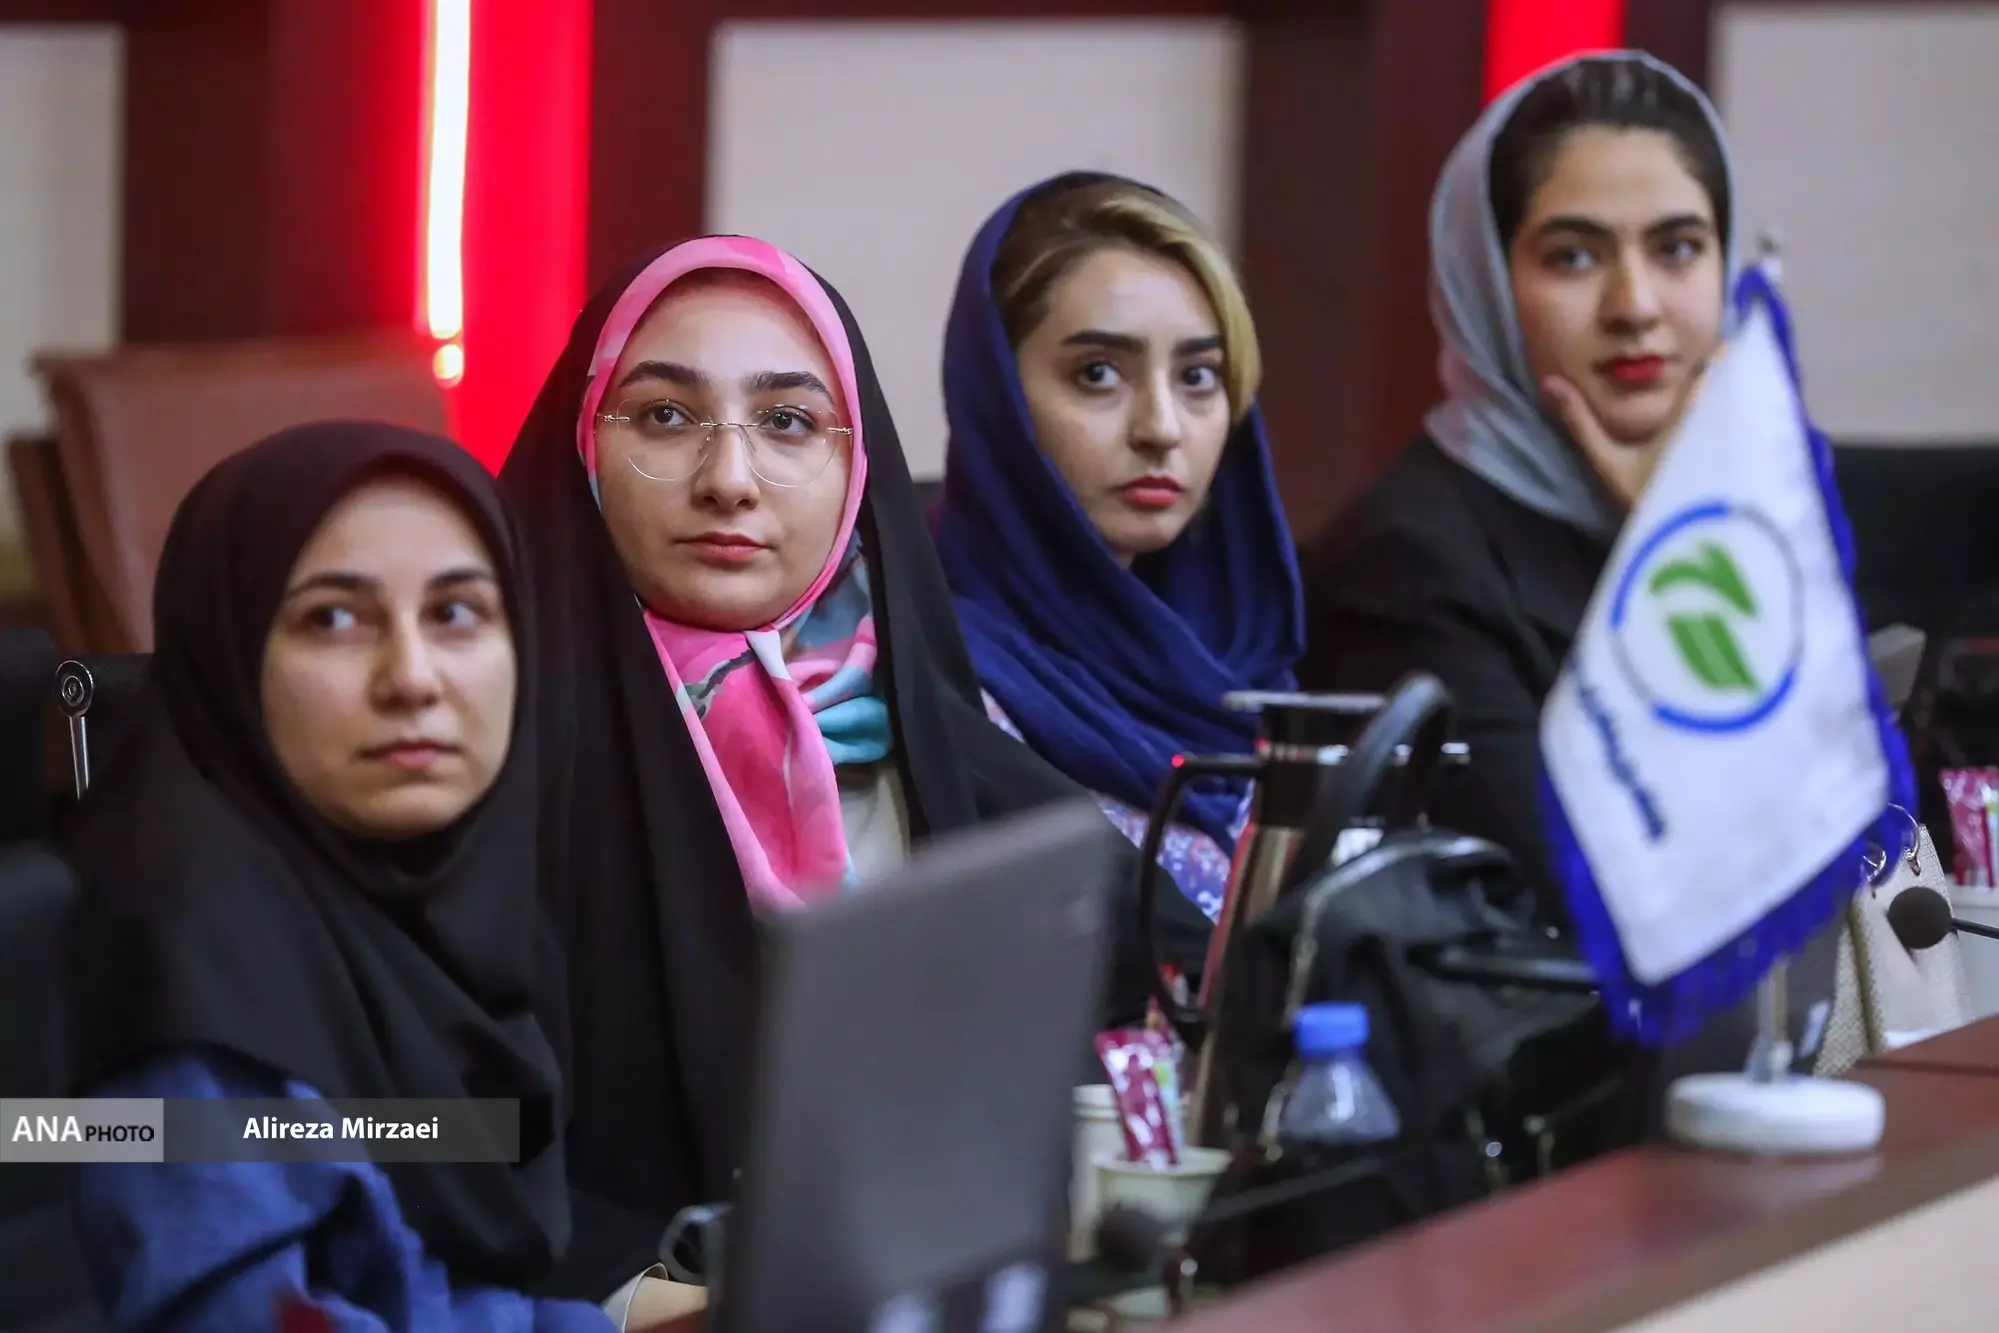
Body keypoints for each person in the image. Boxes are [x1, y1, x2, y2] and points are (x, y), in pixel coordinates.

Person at [497, 236, 1212, 1262]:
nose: (729, 479)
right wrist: (617, 1289)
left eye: (788, 422)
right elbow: (387, 1127)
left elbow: (1192, 1005)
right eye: (664, 416)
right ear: (582, 448)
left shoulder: (956, 768)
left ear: (856, 463)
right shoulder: (480, 764)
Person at [62, 423, 698, 1331]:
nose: (412, 678)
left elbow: (447, 1293)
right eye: (333, 619)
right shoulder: (194, 976)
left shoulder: (434, 897)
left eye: (456, 613)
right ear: (228, 652)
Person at [1296, 52, 1736, 911]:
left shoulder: (1747, 511)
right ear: (1487, 283)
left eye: (1677, 249)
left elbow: (1882, 847)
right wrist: (1672, 561)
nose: (1635, 305)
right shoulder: (1406, 567)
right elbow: (1612, 908)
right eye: (1572, 257)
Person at [931, 174, 1305, 922]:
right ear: (995, 399)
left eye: (1197, 376)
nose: (1161, 427)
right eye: (1097, 374)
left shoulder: (1244, 658)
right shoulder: (926, 678)